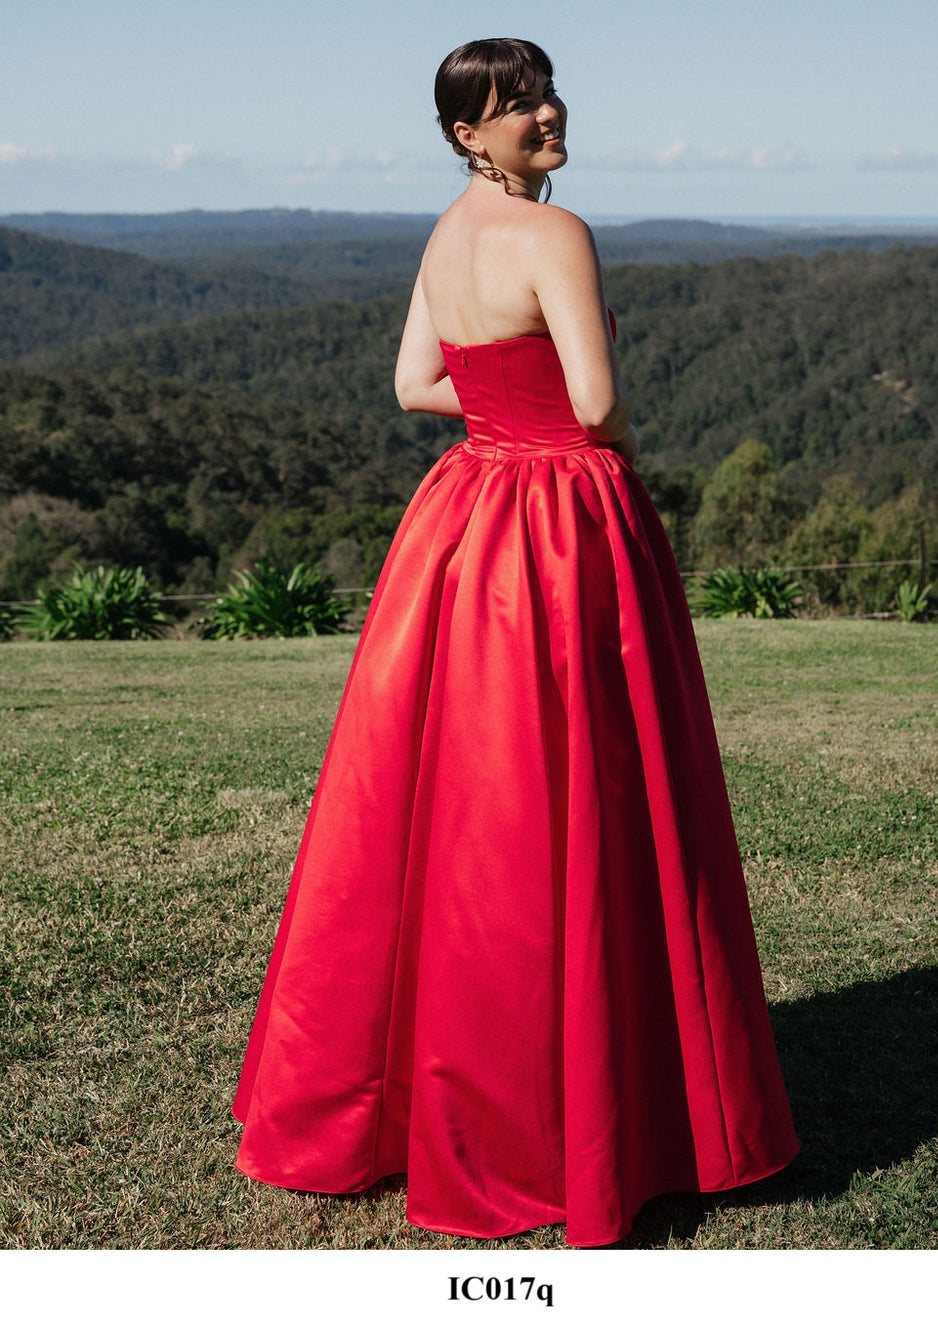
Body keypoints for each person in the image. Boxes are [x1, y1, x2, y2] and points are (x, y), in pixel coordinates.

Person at [232, 37, 798, 1248]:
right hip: (564, 525)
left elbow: (412, 386)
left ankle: (434, 1096)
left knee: (456, 809)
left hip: (465, 519)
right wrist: (604, 449)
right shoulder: (558, 234)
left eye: (542, 93)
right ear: (465, 134)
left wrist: (499, 408)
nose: (544, 114)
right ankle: (598, 1105)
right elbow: (594, 404)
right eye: (515, 106)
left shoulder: (445, 234)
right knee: (590, 792)